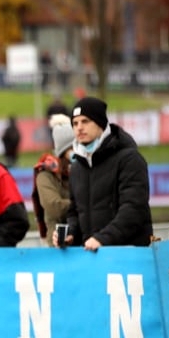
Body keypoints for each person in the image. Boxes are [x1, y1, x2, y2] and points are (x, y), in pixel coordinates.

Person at [57, 97, 153, 250]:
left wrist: (103, 239)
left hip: (129, 257)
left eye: (85, 121)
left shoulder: (129, 159)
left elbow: (133, 209)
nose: (79, 128)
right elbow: (74, 212)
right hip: (93, 259)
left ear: (100, 123)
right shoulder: (76, 168)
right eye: (75, 123)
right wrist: (71, 234)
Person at [32, 122, 73, 246]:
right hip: (58, 246)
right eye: (73, 146)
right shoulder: (46, 174)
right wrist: (85, 205)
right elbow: (54, 207)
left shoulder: (86, 169)